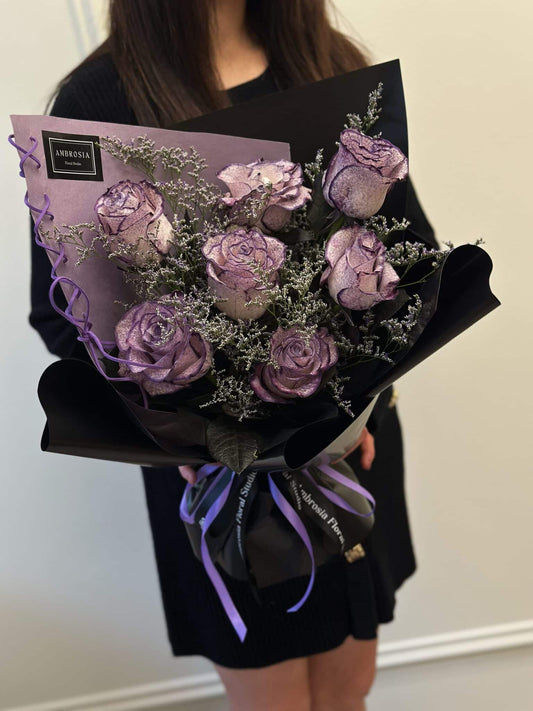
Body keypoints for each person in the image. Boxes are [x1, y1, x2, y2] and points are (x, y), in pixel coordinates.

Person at [29, 1, 438, 709]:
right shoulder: (98, 102)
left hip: (349, 449)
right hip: (217, 479)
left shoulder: (328, 62)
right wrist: (192, 431)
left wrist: (354, 409)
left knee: (349, 690)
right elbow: (66, 316)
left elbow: (411, 261)